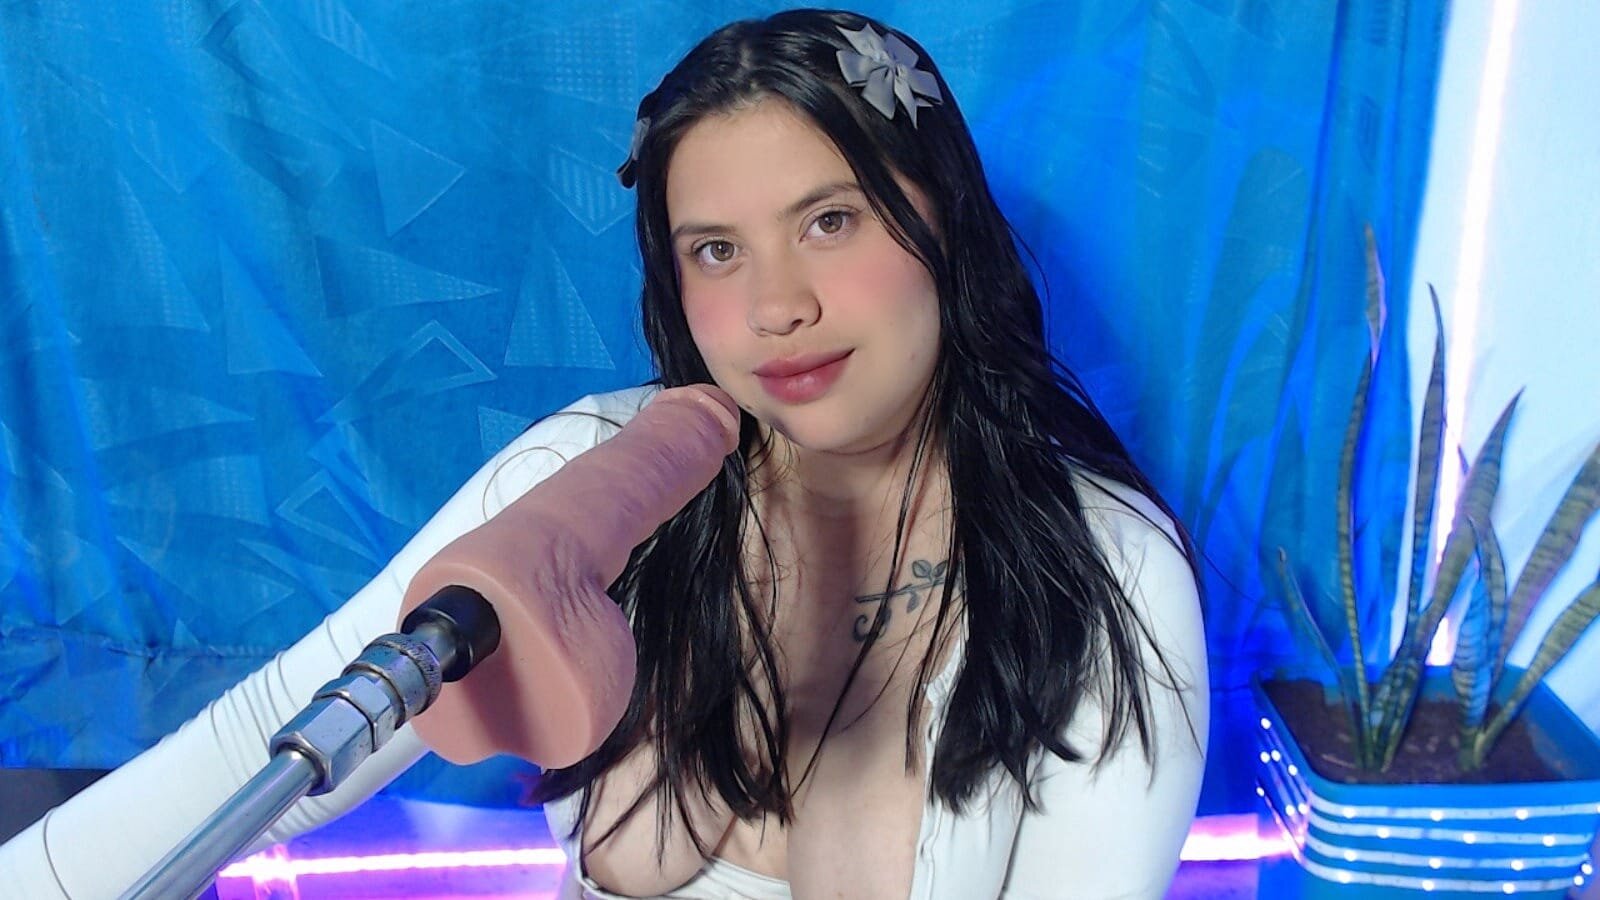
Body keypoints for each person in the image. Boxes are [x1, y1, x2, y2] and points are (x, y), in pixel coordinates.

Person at [0, 8, 1207, 899]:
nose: (775, 307)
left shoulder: (1106, 569)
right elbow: (272, 748)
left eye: (829, 222)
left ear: (945, 223)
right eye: (716, 250)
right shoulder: (594, 480)